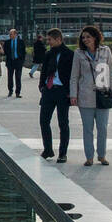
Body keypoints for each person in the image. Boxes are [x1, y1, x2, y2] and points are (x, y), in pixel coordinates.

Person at [69, 24, 112, 166]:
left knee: (102, 128)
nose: (85, 40)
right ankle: (89, 157)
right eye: (83, 38)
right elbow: (74, 76)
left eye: (88, 37)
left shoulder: (106, 51)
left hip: (103, 95)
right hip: (85, 96)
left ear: (95, 37)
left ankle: (101, 155)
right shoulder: (79, 53)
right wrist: (73, 95)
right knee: (87, 128)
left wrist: (111, 90)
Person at [38, 28, 73, 161]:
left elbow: (73, 75)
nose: (49, 42)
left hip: (62, 91)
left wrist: (71, 91)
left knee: (63, 123)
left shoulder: (69, 54)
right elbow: (44, 71)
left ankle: (62, 153)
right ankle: (48, 150)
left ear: (58, 39)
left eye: (50, 40)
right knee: (44, 121)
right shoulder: (48, 54)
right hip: (48, 90)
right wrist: (42, 85)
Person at [2, 27, 26, 97]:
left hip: (18, 61)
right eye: (9, 34)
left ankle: (18, 92)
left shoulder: (21, 42)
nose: (10, 35)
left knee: (18, 77)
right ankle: (10, 91)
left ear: (15, 34)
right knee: (10, 77)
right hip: (10, 62)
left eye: (11, 34)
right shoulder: (7, 42)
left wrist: (22, 61)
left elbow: (23, 52)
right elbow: (5, 52)